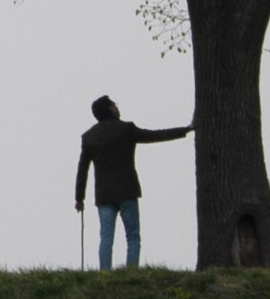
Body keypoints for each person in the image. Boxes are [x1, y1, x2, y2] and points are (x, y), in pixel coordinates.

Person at [73, 94, 191, 268]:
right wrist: (185, 130)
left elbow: (82, 170)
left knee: (106, 237)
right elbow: (155, 135)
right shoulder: (126, 129)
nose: (117, 107)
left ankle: (105, 272)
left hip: (104, 194)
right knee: (133, 236)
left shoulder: (89, 137)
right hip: (127, 190)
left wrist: (79, 198)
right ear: (110, 109)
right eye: (114, 105)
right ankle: (131, 272)